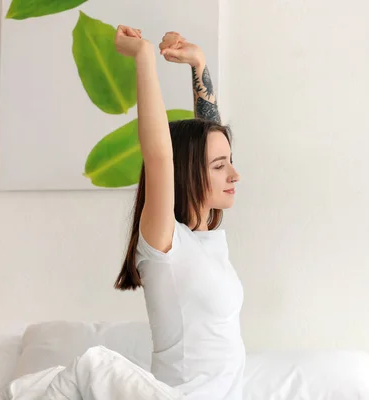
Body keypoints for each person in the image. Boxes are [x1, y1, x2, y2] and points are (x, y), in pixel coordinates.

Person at [112, 25, 245, 400]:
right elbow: (159, 154)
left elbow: (207, 137)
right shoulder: (165, 242)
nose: (234, 173)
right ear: (188, 171)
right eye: (220, 166)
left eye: (229, 162)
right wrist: (143, 57)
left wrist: (198, 64)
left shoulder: (206, 242)